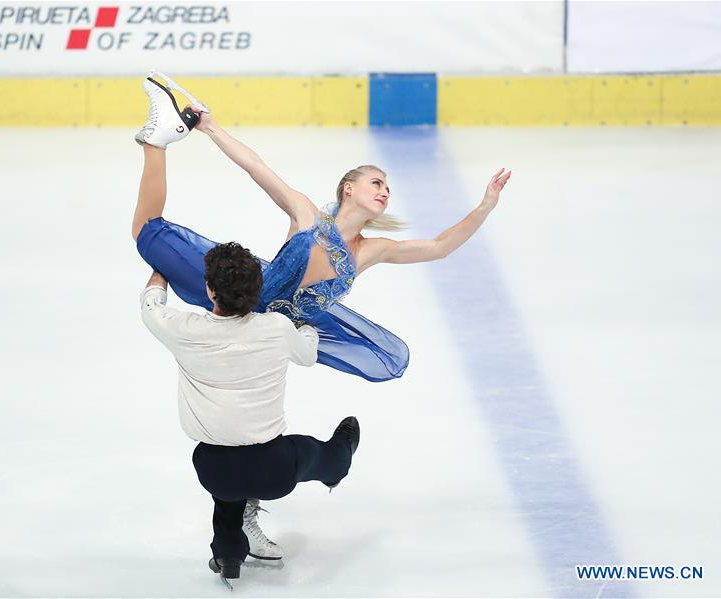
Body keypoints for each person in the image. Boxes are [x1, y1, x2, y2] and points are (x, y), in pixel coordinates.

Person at [131, 71, 512, 383]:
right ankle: (159, 140)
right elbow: (256, 167)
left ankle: (159, 140)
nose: (385, 192)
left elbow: (439, 247)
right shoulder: (307, 215)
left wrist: (484, 207)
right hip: (236, 300)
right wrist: (211, 129)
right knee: (147, 233)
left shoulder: (369, 251)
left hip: (264, 339)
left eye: (388, 188)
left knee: (148, 237)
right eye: (376, 183)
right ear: (349, 189)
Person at [139, 241, 361, 588]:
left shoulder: (182, 329)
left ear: (209, 290)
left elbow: (151, 304)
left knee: (229, 489)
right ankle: (339, 464)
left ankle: (228, 552)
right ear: (258, 290)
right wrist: (304, 329)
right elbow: (307, 355)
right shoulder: (275, 327)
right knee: (315, 453)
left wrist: (161, 264)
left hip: (213, 469)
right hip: (273, 469)